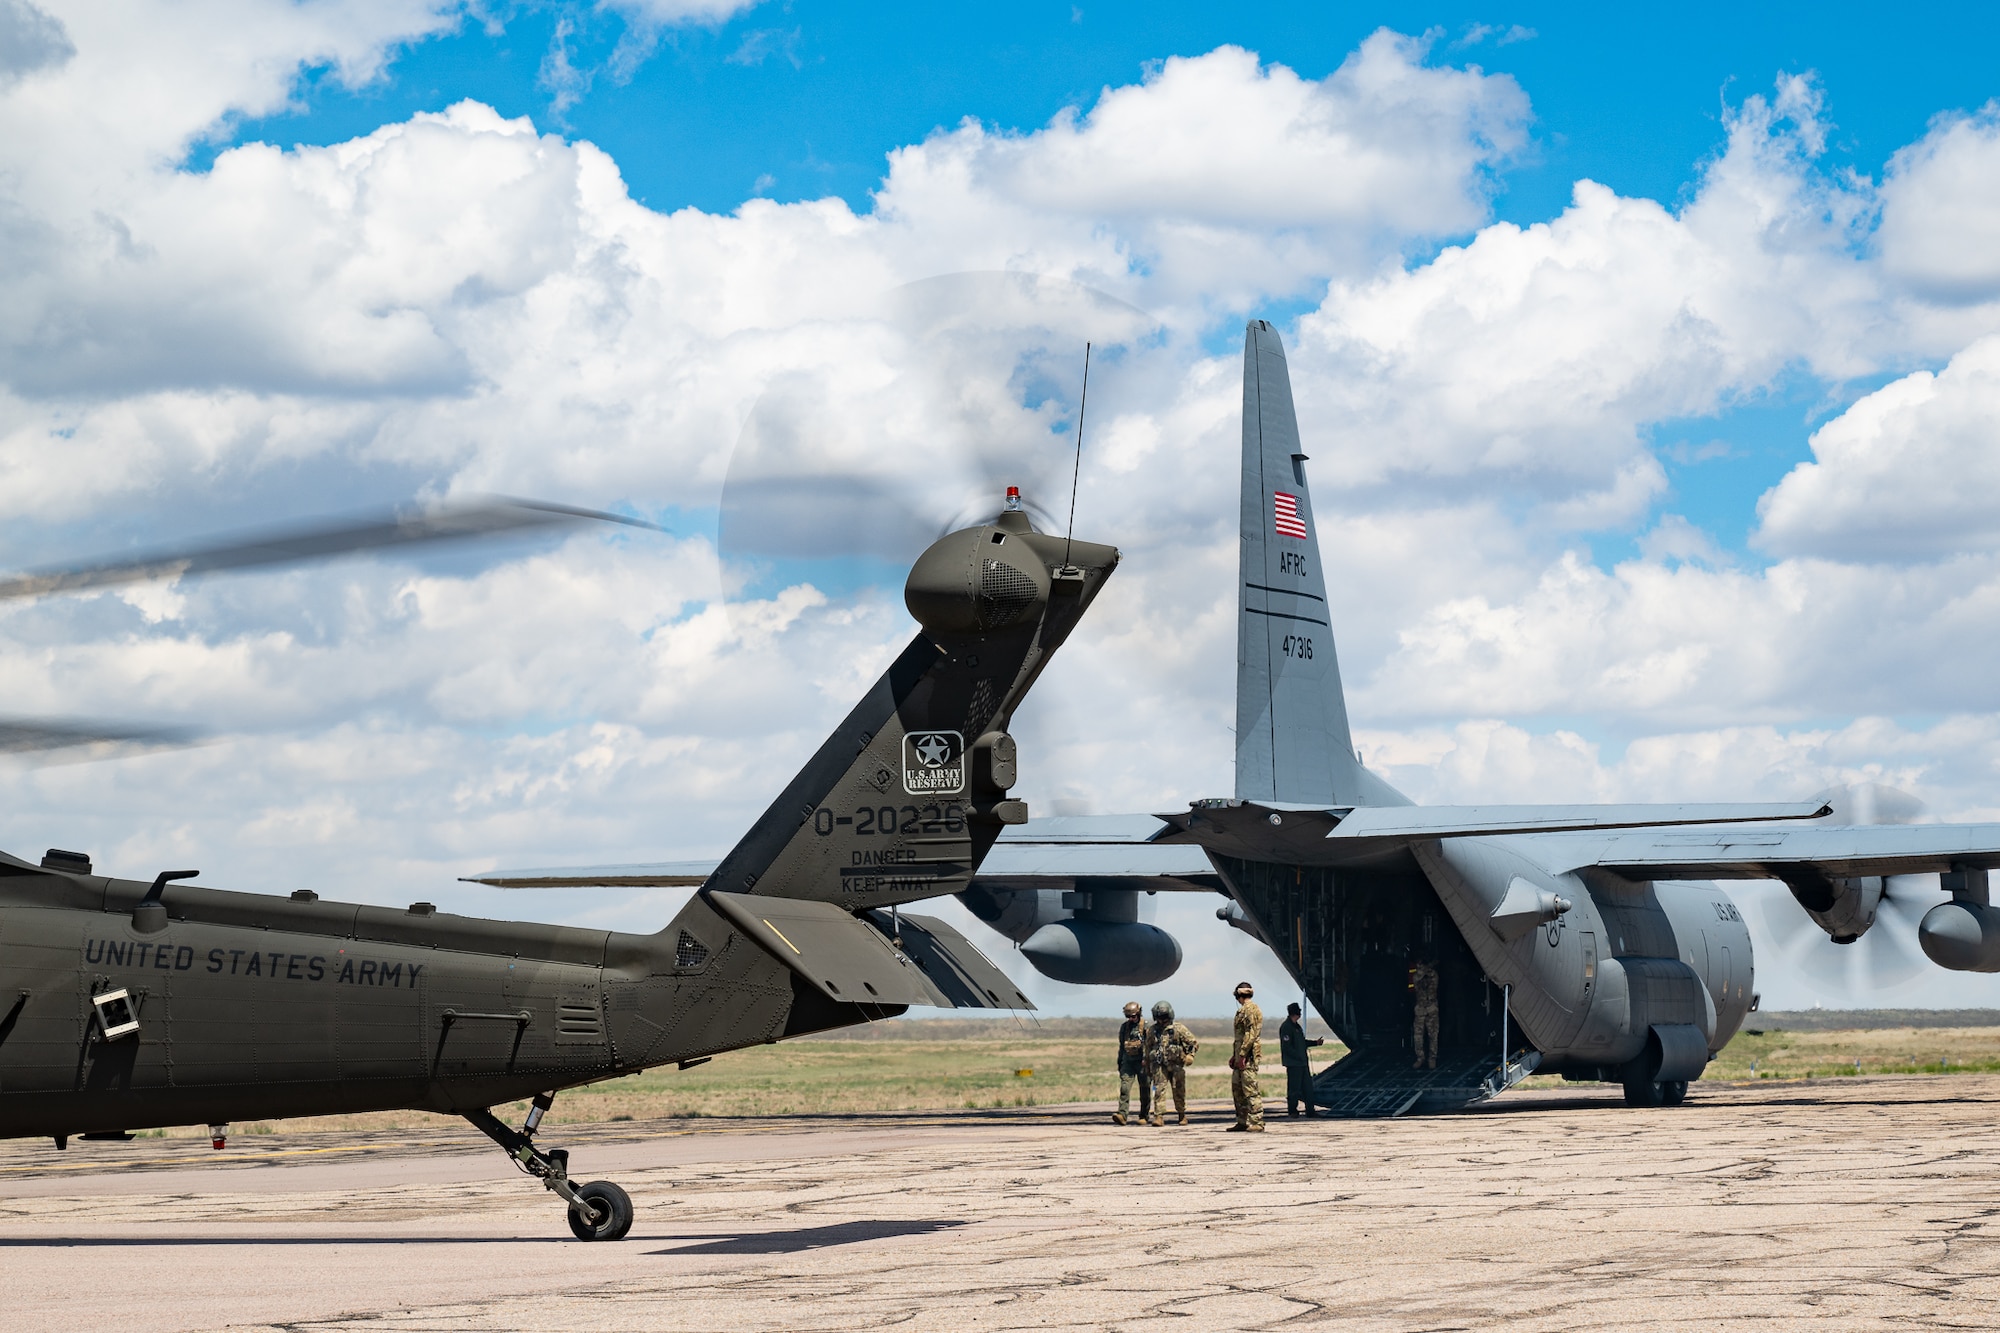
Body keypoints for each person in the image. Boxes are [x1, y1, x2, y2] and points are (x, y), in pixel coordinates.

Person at [1144, 1001, 1198, 1126]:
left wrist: (1190, 1056)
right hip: (1159, 1065)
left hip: (1176, 1065)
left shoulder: (1178, 1029)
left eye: (1164, 1017)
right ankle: (1159, 1116)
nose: (1162, 1020)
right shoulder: (1153, 1030)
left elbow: (1193, 1043)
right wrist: (1147, 1064)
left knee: (1179, 1090)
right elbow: (1148, 1047)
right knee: (1159, 1090)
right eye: (1159, 1017)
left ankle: (1181, 1114)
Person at [1228, 981, 1265, 1132]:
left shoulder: (1251, 1010)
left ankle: (1257, 1121)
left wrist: (1242, 1054)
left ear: (1238, 995)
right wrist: (1234, 1056)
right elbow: (1240, 1036)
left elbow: (1251, 1035)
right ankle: (1242, 1120)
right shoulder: (1243, 1010)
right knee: (1237, 1088)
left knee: (1250, 1089)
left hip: (1247, 1057)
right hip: (1240, 1056)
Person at [1278, 1002, 1324, 1117]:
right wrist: (1298, 1055)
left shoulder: (1296, 1026)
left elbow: (1302, 1043)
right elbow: (1287, 1047)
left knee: (1307, 1088)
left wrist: (1315, 1043)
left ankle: (1310, 1111)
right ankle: (1292, 1111)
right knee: (1294, 1089)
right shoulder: (1286, 1027)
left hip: (1302, 1063)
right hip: (1294, 1064)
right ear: (1295, 1013)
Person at [1113, 1001, 1148, 1125]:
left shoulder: (1146, 1026)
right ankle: (1122, 1115)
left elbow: (1149, 1045)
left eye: (1133, 1016)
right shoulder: (1124, 1027)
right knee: (1124, 1088)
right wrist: (1120, 1063)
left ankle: (1144, 1115)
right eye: (1128, 1017)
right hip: (1128, 1062)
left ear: (1139, 1014)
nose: (1131, 1019)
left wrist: (1146, 1059)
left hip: (1143, 1063)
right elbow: (1122, 1046)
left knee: (1145, 1089)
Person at [1410, 957, 1440, 1069]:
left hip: (1432, 1008)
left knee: (1433, 1035)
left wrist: (1428, 968)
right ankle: (1420, 1058)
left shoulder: (1433, 975)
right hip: (1420, 1009)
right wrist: (1424, 969)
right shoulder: (1416, 976)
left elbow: (1433, 977)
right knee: (1418, 1036)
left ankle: (1432, 1058)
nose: (1419, 968)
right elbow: (1417, 978)